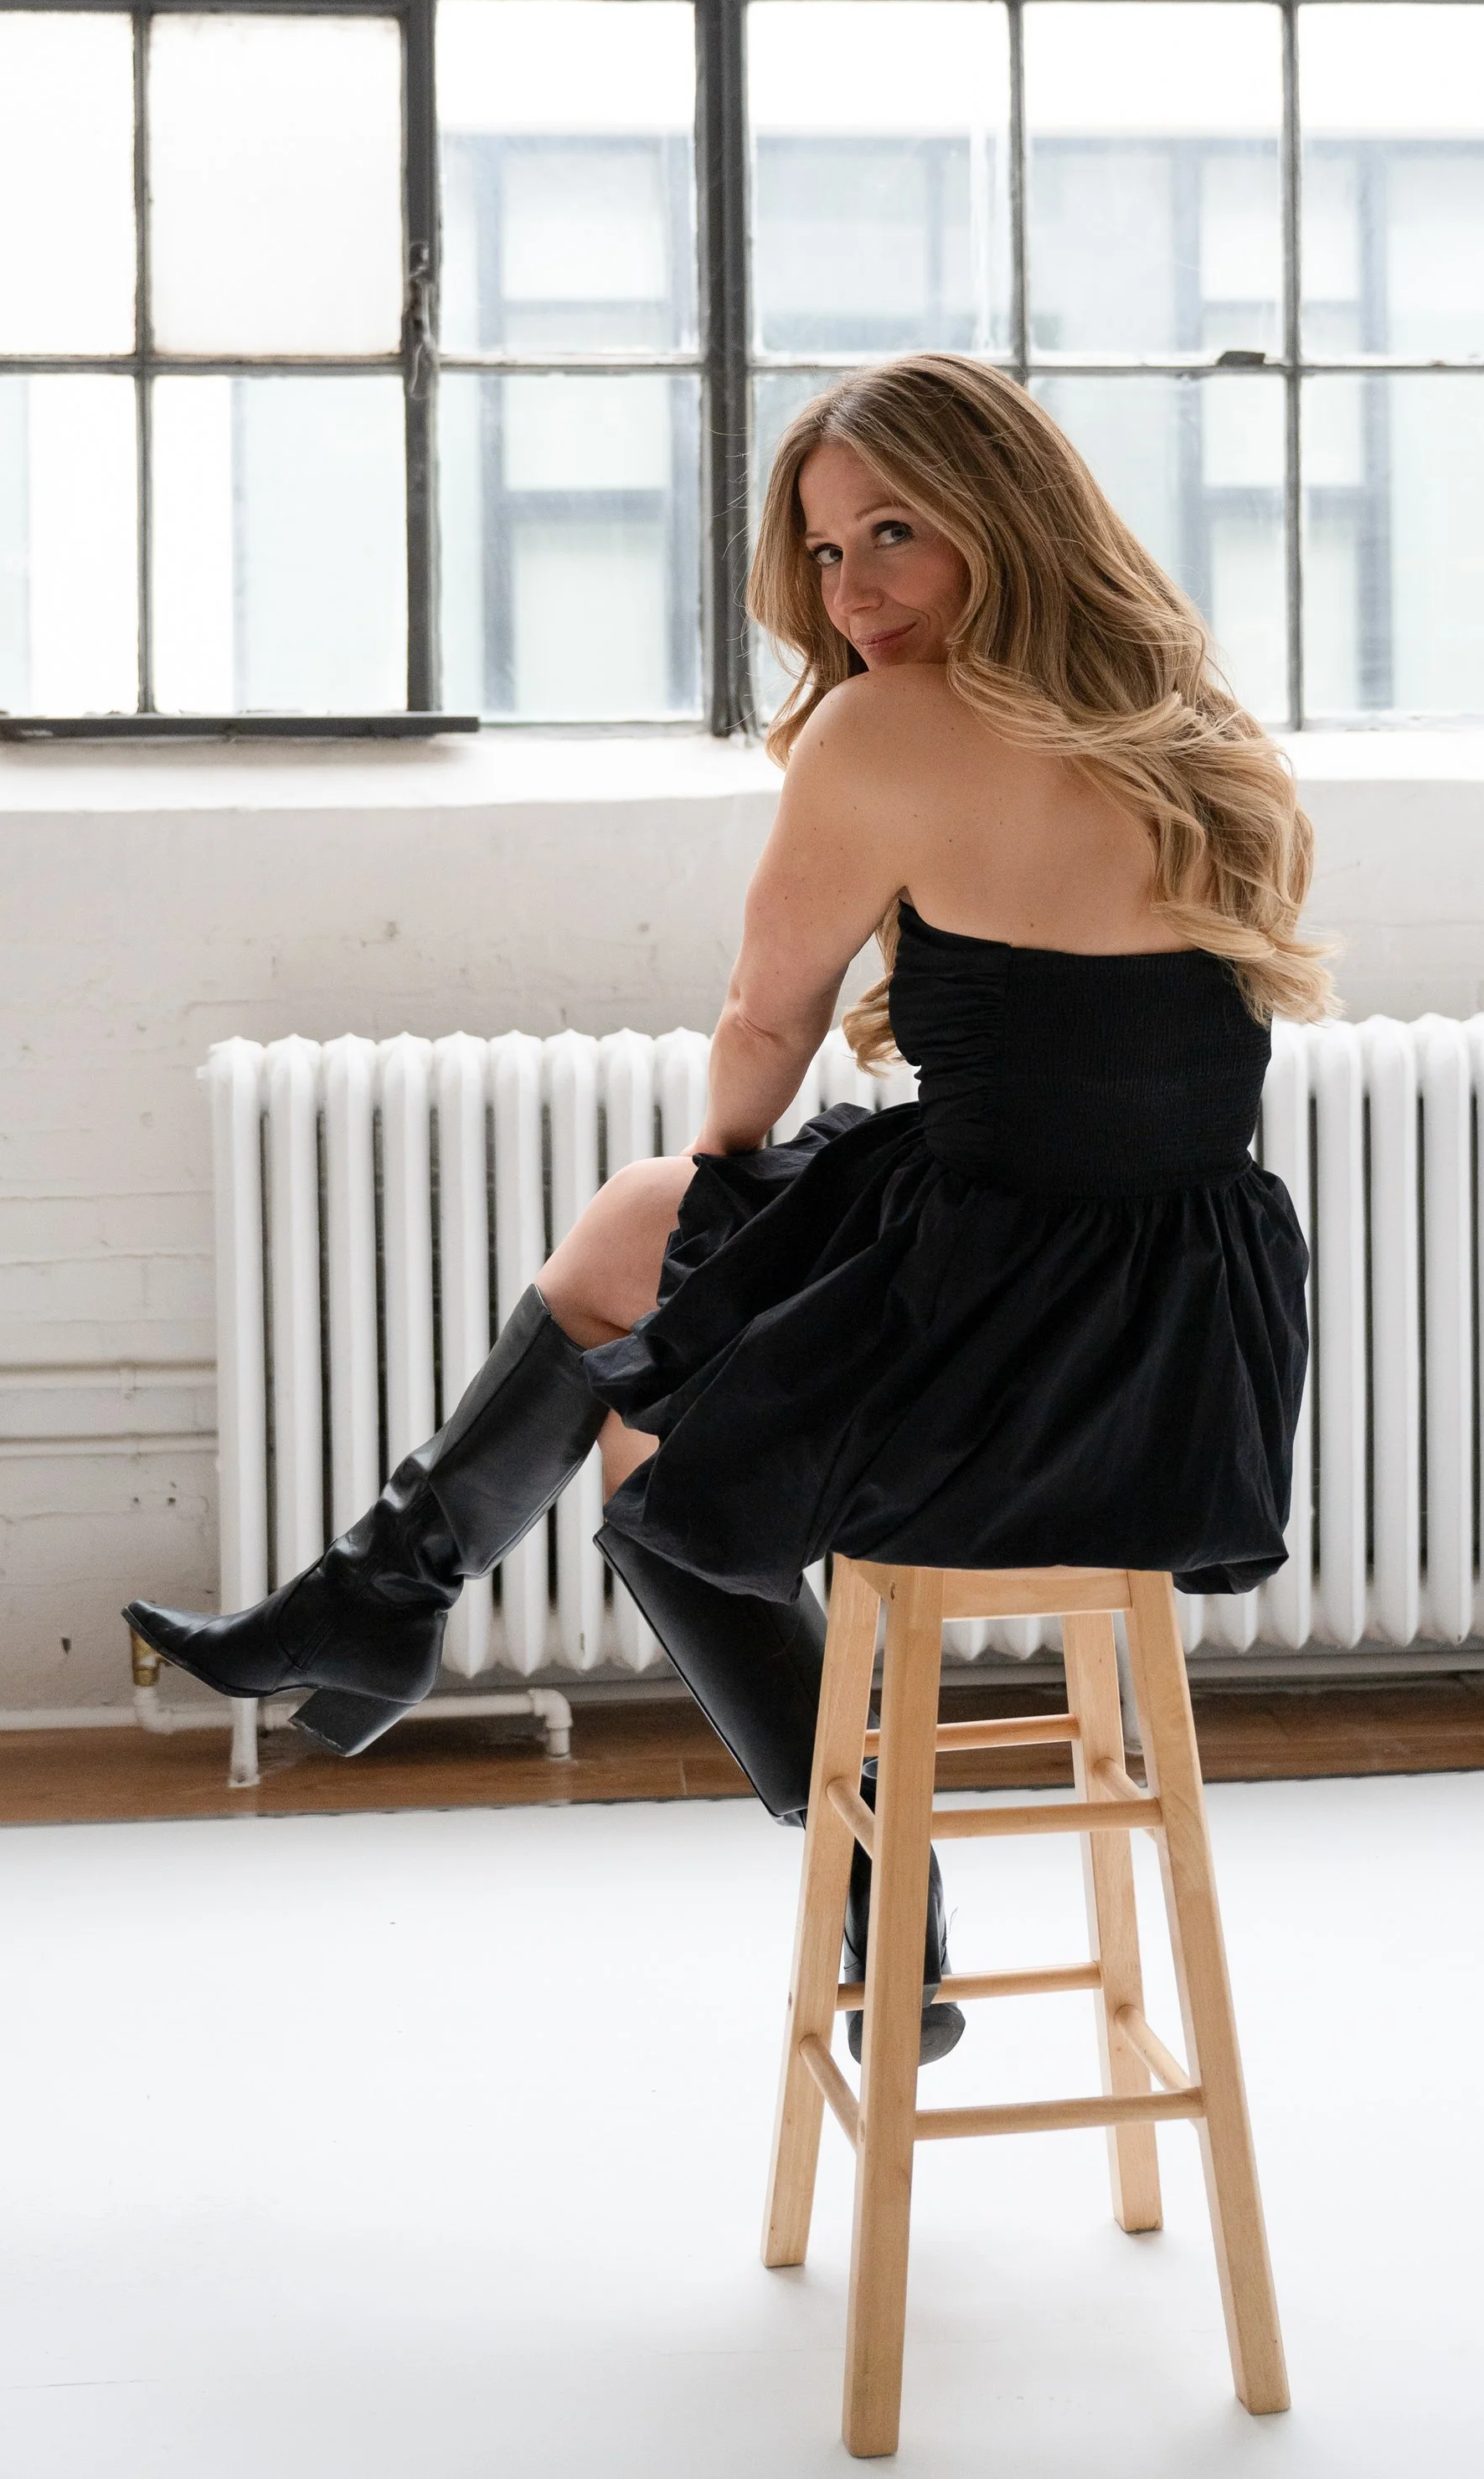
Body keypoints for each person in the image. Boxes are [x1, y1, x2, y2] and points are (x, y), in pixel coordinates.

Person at [127, 353, 1329, 2066]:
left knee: (641, 1303)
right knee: (646, 1364)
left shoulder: (887, 727)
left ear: (1005, 514)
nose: (855, 592)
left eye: (894, 532)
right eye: (827, 553)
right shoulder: (1196, 723)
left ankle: (444, 1629)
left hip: (1014, 1350)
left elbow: (767, 1022)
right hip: (1191, 1359)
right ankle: (403, 1611)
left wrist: (716, 1233)